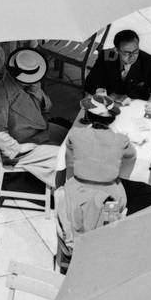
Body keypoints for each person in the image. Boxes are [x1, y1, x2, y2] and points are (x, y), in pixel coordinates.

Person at [56, 102, 135, 264]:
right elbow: (131, 157)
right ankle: (105, 249)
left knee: (63, 197)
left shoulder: (75, 135)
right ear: (112, 120)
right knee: (111, 224)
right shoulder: (121, 140)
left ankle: (71, 245)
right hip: (109, 196)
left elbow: (70, 162)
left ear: (87, 116)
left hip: (77, 195)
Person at [0, 48, 69, 188]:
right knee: (64, 156)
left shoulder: (31, 81)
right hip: (21, 145)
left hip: (40, 132)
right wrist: (19, 149)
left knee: (72, 138)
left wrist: (38, 94)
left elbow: (48, 107)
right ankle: (64, 193)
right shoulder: (1, 93)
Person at [84, 29, 151, 109]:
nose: (132, 56)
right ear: (116, 50)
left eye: (136, 51)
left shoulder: (149, 61)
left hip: (137, 107)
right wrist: (112, 95)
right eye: (127, 53)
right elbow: (90, 83)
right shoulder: (106, 56)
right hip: (111, 104)